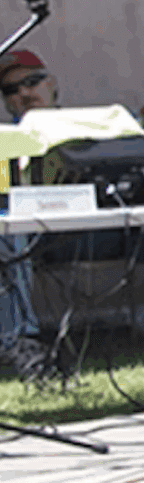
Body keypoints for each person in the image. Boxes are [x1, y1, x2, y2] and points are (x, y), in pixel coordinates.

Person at [1, 50, 57, 375]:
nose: (23, 93)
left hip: (105, 224)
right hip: (35, 232)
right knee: (9, 232)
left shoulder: (93, 123)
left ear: (52, 83)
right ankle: (23, 342)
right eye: (10, 90)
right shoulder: (4, 141)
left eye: (31, 82)